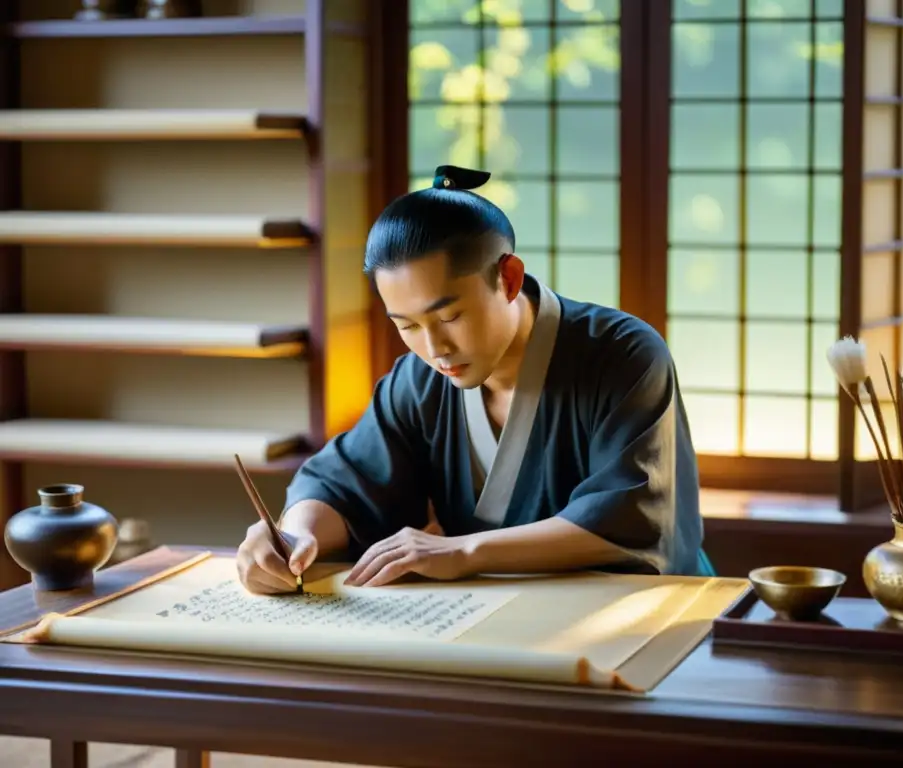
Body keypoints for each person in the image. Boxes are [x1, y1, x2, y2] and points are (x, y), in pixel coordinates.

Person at [236, 164, 713, 594]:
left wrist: (465, 552)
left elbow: (632, 516)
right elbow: (344, 486)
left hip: (649, 614)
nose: (433, 348)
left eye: (449, 316)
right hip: (500, 617)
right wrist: (295, 536)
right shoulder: (419, 381)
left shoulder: (623, 355)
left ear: (508, 278)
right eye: (406, 326)